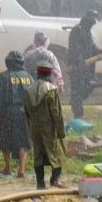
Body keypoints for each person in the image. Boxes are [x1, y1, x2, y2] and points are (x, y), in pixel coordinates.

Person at [23, 60, 67, 189]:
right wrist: (60, 131)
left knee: (38, 154)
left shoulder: (28, 90)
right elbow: (56, 113)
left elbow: (26, 112)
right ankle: (55, 180)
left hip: (35, 128)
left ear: (37, 73)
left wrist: (30, 127)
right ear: (49, 74)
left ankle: (40, 183)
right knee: (56, 153)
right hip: (49, 128)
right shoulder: (51, 90)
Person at [0, 51, 32, 178]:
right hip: (24, 113)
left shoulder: (4, 76)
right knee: (24, 141)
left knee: (6, 140)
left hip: (7, 112)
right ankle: (21, 169)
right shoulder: (29, 77)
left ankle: (7, 167)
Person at [67, 10, 102, 121]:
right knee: (78, 89)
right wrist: (80, 62)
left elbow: (91, 46)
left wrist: (99, 51)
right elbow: (75, 48)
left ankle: (76, 102)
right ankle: (78, 114)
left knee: (91, 84)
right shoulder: (76, 30)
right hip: (77, 66)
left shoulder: (87, 31)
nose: (94, 24)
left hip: (87, 66)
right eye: (93, 22)